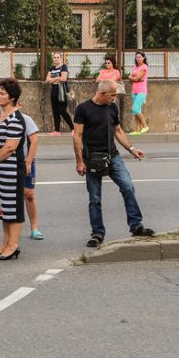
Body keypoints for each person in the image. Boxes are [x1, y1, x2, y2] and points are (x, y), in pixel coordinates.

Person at [72, 80, 155, 248]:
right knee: (95, 198)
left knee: (128, 186)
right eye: (113, 95)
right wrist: (80, 161)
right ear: (102, 94)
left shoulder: (112, 108)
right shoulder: (83, 109)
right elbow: (77, 136)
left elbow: (118, 131)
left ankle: (136, 225)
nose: (115, 98)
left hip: (113, 156)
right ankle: (97, 233)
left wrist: (132, 149)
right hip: (92, 159)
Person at [0, 78, 26, 260]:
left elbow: (10, 147)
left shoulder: (16, 119)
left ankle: (13, 245)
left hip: (12, 171)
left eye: (2, 93)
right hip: (0, 171)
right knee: (3, 208)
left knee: (14, 208)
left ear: (12, 97)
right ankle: (5, 242)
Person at [17, 100, 43, 240]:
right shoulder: (0, 119)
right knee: (12, 197)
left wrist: (28, 162)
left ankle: (34, 228)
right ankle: (14, 231)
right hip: (7, 164)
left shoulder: (26, 119)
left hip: (25, 161)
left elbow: (34, 141)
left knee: (29, 194)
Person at [45, 52, 73, 135]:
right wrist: (57, 79)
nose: (56, 59)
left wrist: (54, 78)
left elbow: (64, 78)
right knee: (55, 112)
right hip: (54, 92)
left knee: (62, 111)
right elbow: (47, 80)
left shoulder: (63, 67)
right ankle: (57, 131)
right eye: (54, 57)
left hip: (62, 92)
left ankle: (73, 128)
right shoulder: (52, 68)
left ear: (60, 58)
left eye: (57, 57)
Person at [128, 50, 150, 134]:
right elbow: (131, 78)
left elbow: (136, 78)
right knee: (137, 111)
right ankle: (137, 130)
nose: (138, 58)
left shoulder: (144, 67)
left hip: (142, 91)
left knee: (135, 108)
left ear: (143, 58)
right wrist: (133, 78)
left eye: (140, 57)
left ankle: (145, 126)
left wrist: (133, 78)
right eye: (136, 57)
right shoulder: (135, 67)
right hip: (134, 90)